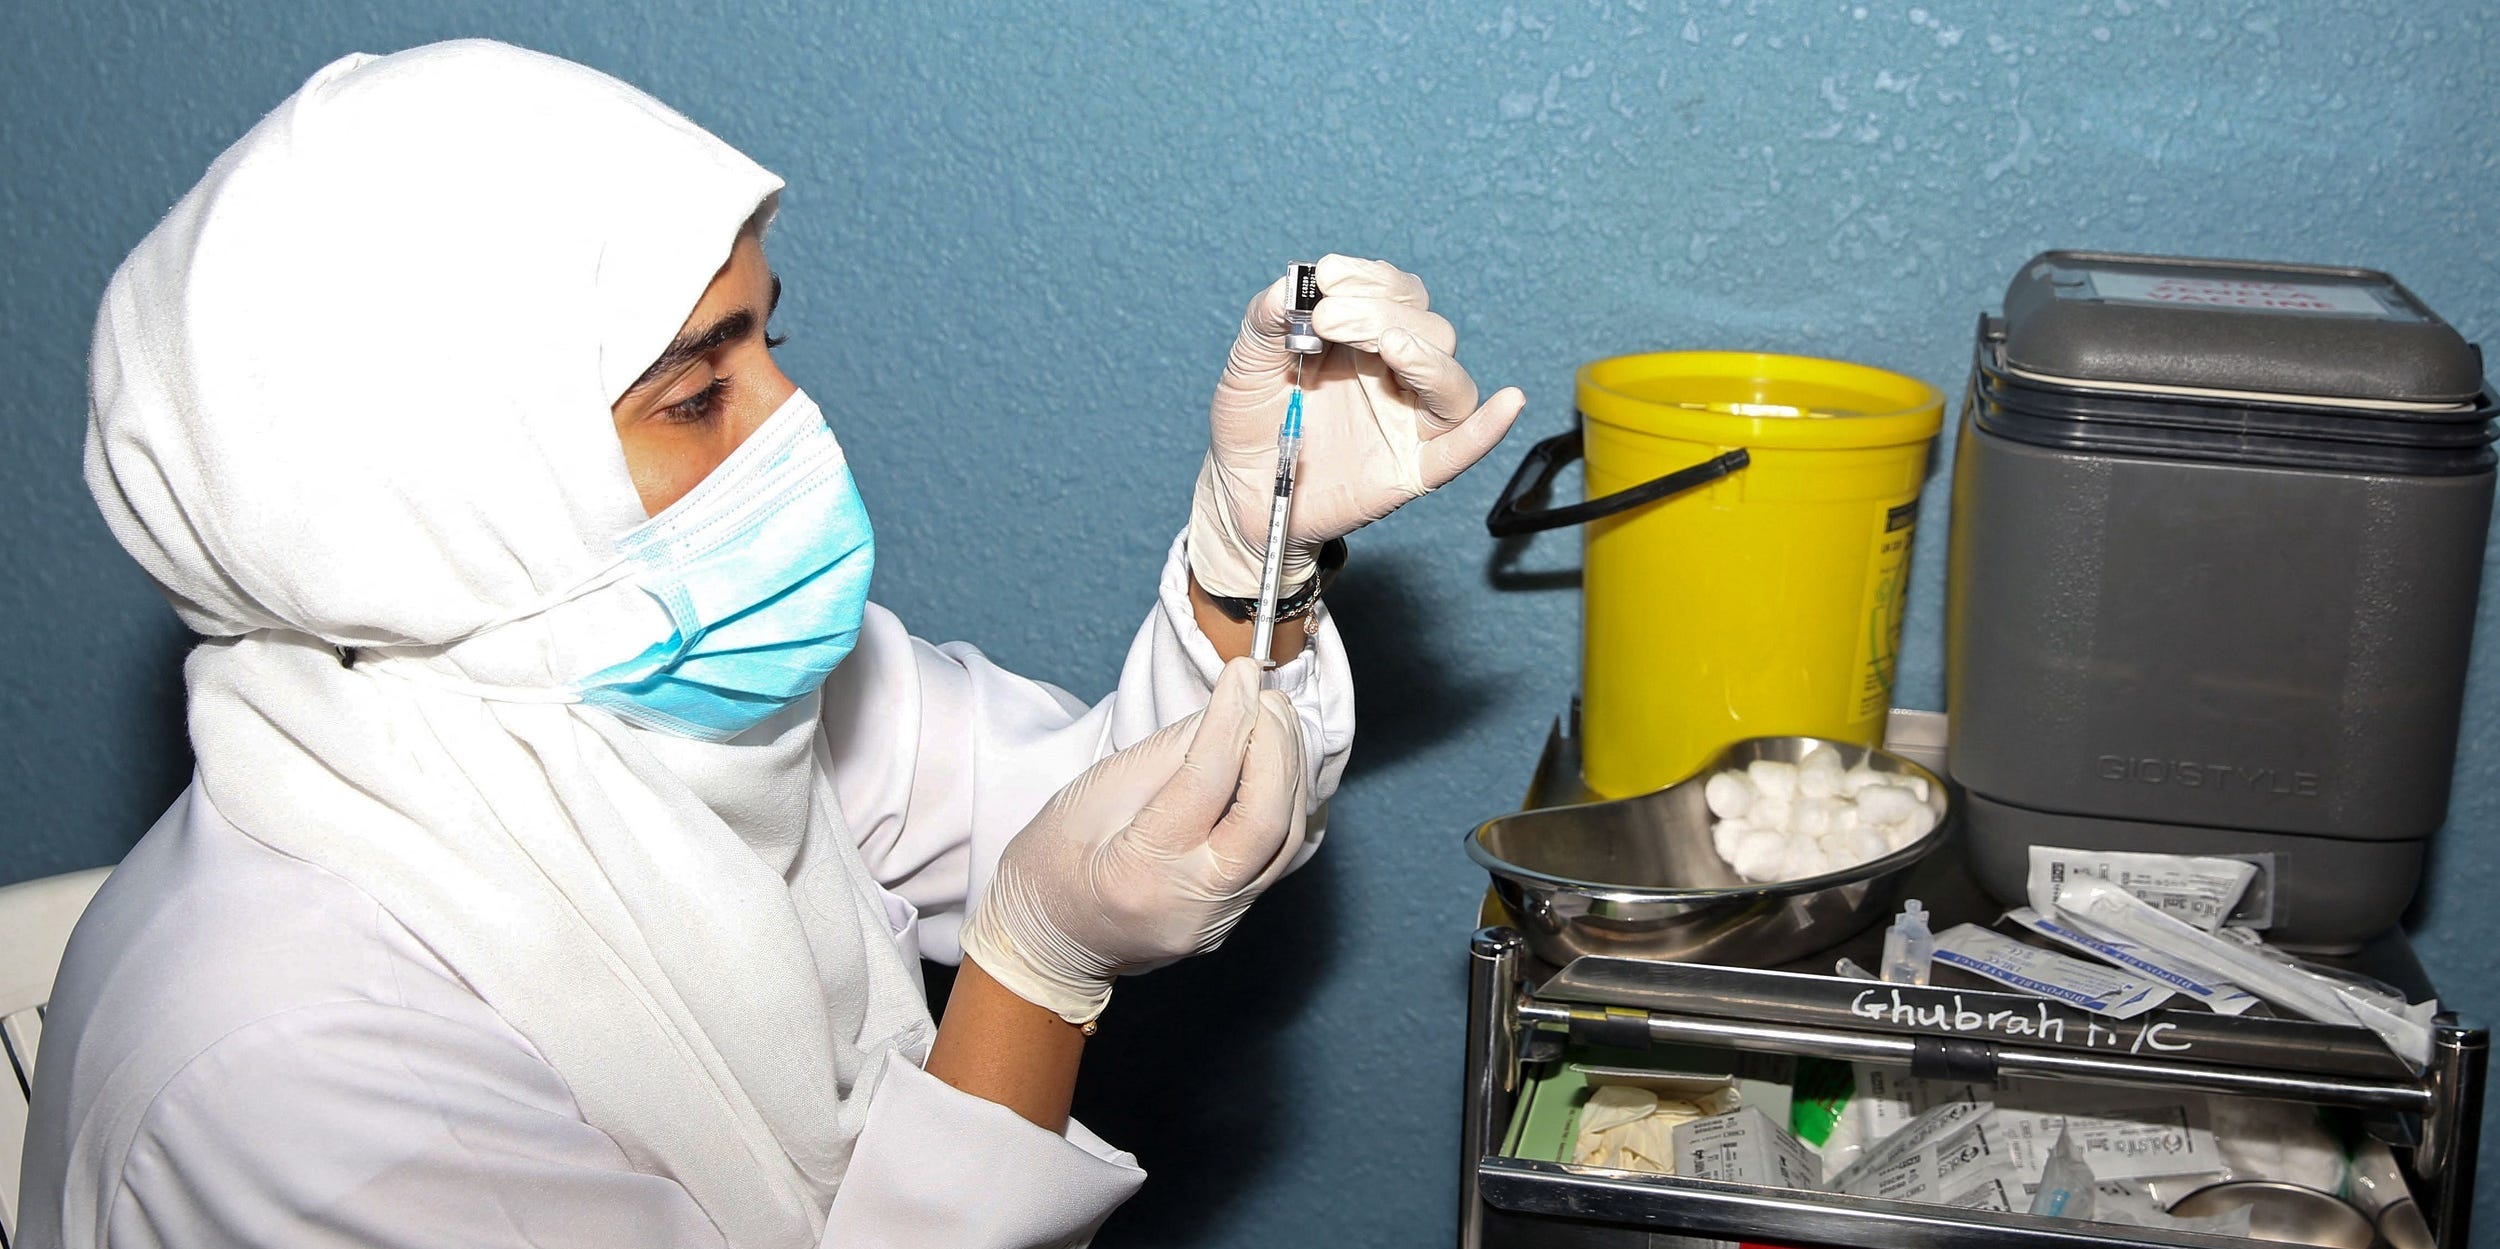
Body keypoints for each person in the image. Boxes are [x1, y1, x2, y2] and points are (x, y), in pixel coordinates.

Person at [18, 39, 1524, 1249]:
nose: (796, 426)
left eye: (766, 343)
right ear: (441, 489)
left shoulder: (651, 684)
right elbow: (1060, 896)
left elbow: (1123, 822)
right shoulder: (292, 1071)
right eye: (694, 395)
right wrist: (1030, 973)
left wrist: (1249, 553)